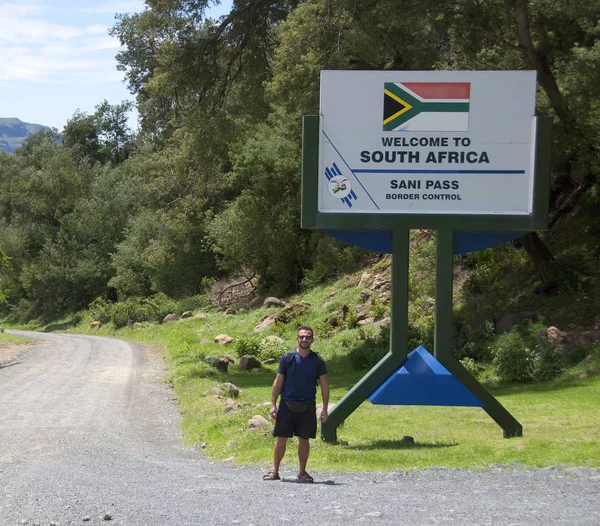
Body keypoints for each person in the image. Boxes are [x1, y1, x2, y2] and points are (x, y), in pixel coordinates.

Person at [263, 326, 329, 483]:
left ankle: (302, 472)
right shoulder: (287, 358)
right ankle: (275, 471)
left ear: (312, 339)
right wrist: (273, 404)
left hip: (307, 405)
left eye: (308, 337)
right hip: (287, 404)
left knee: (304, 439)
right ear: (297, 339)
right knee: (281, 438)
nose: (304, 339)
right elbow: (278, 381)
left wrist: (325, 408)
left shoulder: (317, 360)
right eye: (302, 337)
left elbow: (325, 385)